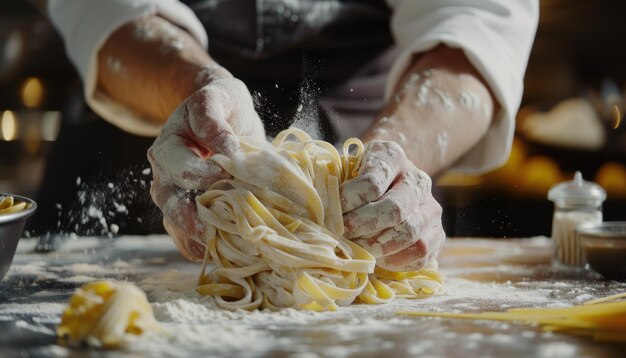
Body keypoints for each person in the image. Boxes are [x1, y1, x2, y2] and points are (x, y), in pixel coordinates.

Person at [36, 0, 538, 271]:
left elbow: (478, 20)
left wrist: (396, 154)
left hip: (366, 177)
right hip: (155, 131)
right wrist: (199, 85)